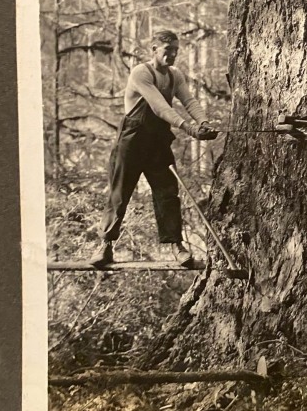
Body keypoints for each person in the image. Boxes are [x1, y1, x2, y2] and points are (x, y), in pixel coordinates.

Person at [90, 29, 218, 268]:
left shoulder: (174, 75)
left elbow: (188, 100)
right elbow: (159, 107)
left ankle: (176, 247)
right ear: (154, 50)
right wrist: (189, 129)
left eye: (176, 51)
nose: (172, 55)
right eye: (167, 50)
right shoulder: (141, 73)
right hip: (132, 141)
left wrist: (203, 122)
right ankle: (105, 245)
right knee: (120, 193)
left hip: (157, 143)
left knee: (168, 193)